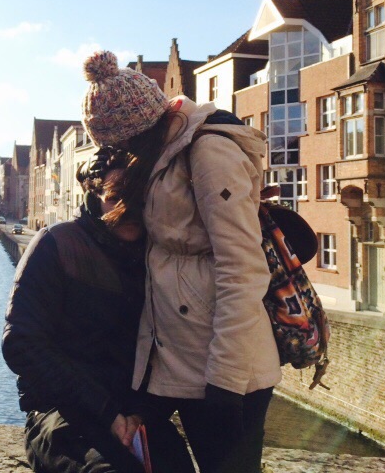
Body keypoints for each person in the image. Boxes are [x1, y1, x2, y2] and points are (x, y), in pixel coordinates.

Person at [80, 50, 281, 473]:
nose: (126, 154)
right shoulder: (164, 154)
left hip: (225, 368)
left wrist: (225, 379)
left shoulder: (208, 154)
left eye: (126, 143)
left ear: (143, 127)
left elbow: (241, 266)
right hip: (179, 361)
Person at [2, 147, 194, 473]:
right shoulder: (57, 244)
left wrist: (139, 414)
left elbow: (172, 350)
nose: (129, 209)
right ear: (95, 191)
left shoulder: (156, 257)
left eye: (139, 198)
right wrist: (106, 413)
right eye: (117, 196)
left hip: (133, 415)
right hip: (60, 412)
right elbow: (21, 343)